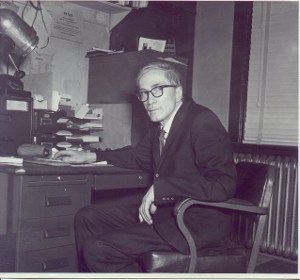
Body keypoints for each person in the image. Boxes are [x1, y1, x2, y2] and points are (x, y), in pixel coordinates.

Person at [53, 61, 237, 272]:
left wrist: (162, 189)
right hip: (167, 214)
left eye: (157, 90)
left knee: (98, 249)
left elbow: (224, 184)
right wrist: (90, 155)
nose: (149, 100)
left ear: (178, 92)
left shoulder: (201, 120)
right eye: (144, 93)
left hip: (193, 224)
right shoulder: (161, 126)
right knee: (88, 218)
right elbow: (135, 156)